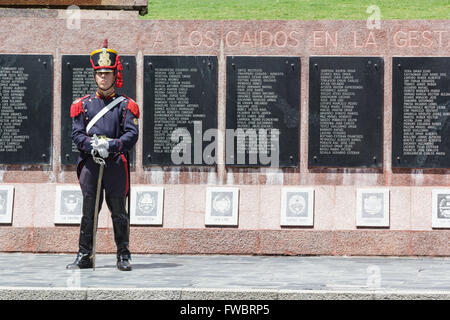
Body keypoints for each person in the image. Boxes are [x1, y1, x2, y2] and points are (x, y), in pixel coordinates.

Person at [66, 39, 139, 271]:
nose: (103, 78)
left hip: (115, 164)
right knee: (89, 212)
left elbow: (131, 134)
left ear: (114, 74)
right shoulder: (83, 105)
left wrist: (113, 145)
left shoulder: (125, 105)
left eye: (107, 73)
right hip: (91, 164)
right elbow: (76, 134)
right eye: (99, 74)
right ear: (94, 75)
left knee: (118, 212)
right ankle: (84, 255)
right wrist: (91, 145)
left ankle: (123, 255)